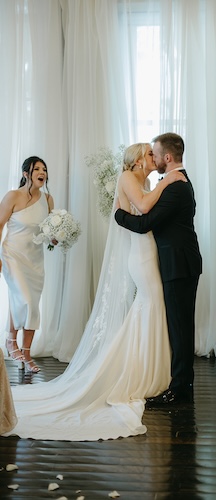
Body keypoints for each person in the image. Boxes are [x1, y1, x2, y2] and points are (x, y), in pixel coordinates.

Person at [4, 143, 185, 441]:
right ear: (139, 159)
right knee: (150, 303)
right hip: (139, 254)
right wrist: (168, 181)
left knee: (151, 305)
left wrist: (161, 183)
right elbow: (142, 207)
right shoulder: (129, 177)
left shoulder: (149, 180)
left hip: (148, 248)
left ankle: (145, 367)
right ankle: (138, 370)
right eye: (150, 154)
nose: (154, 158)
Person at [115, 132, 202, 406]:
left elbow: (144, 224)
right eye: (148, 154)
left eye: (155, 153)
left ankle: (180, 389)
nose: (152, 157)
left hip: (178, 264)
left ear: (167, 157)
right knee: (178, 325)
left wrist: (118, 215)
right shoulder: (175, 182)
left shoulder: (174, 185)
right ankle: (176, 383)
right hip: (177, 261)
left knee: (180, 327)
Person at [0, 156, 54, 373]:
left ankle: (26, 352)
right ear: (26, 174)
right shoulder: (13, 196)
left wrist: (57, 237)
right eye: (37, 169)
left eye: (44, 169)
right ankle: (12, 342)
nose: (42, 172)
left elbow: (49, 232)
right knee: (26, 300)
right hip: (13, 254)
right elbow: (0, 224)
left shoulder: (48, 199)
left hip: (35, 259)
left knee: (30, 303)